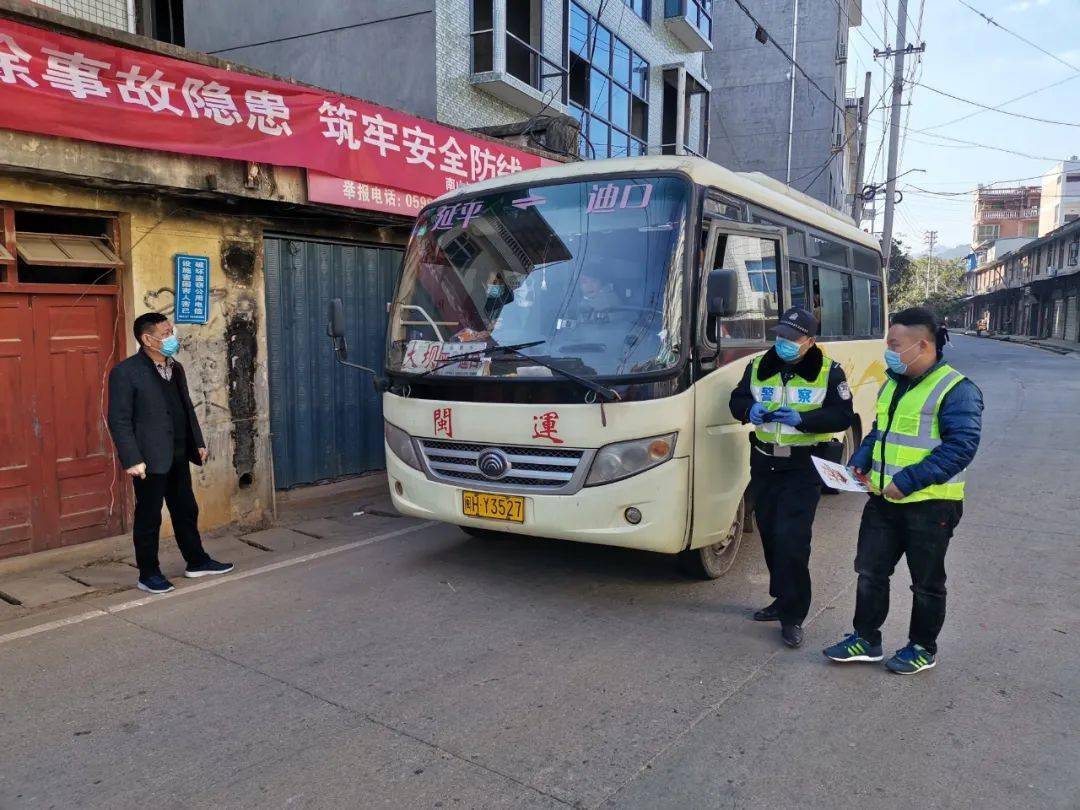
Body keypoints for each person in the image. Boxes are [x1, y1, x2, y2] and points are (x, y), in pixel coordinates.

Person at [824, 307, 983, 674]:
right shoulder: (893, 382)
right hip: (882, 500)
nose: (888, 351)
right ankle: (866, 639)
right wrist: (861, 458)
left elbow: (961, 447)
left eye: (894, 345)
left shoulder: (956, 390)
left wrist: (908, 481)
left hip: (930, 506)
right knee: (870, 572)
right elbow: (881, 430)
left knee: (926, 583)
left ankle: (922, 647)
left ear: (923, 345)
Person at [729, 307, 854, 648]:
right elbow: (737, 399)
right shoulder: (758, 366)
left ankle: (793, 616)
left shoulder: (829, 372)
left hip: (803, 465)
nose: (782, 342)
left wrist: (802, 419)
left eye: (791, 338)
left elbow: (842, 416)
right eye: (780, 335)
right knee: (770, 532)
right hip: (765, 461)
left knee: (793, 540)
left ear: (809, 341)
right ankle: (781, 598)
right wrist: (748, 410)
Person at [106, 313, 233, 594]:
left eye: (171, 331)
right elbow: (119, 419)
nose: (171, 337)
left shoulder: (176, 368)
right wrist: (131, 458)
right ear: (147, 339)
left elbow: (186, 407)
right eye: (165, 333)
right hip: (148, 459)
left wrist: (197, 442)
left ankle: (197, 561)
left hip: (178, 452)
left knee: (186, 509)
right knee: (149, 517)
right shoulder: (126, 372)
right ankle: (148, 574)